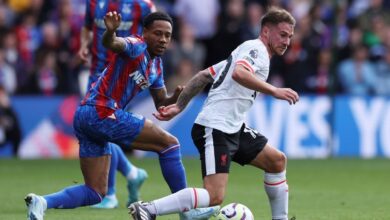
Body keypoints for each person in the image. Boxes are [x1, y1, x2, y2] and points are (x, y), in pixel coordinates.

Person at [25, 11, 219, 220]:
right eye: (158, 33)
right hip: (101, 111)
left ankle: (41, 202)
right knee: (169, 144)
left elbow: (161, 102)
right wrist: (110, 31)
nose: (163, 39)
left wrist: (179, 97)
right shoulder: (136, 45)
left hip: (88, 116)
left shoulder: (156, 66)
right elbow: (113, 43)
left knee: (96, 192)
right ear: (145, 32)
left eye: (167, 35)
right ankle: (187, 210)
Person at [130, 7, 299, 220]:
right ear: (266, 31)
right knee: (214, 195)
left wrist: (179, 106)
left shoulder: (245, 51)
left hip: (233, 127)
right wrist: (274, 90)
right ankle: (149, 209)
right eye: (282, 34)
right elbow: (239, 73)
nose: (287, 41)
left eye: (290, 36)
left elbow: (204, 75)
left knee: (276, 161)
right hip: (216, 127)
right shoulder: (256, 49)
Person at [76, 0, 156, 209]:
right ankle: (131, 172)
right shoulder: (93, 3)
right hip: (96, 72)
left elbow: (156, 29)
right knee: (98, 126)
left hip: (122, 74)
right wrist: (84, 44)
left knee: (105, 126)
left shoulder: (144, 5)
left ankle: (110, 192)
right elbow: (87, 27)